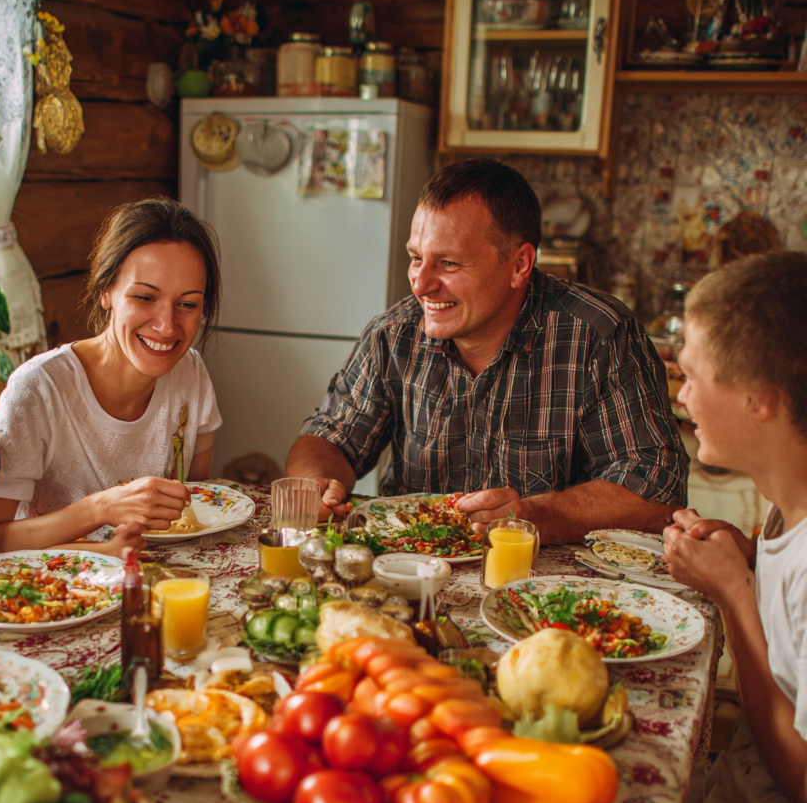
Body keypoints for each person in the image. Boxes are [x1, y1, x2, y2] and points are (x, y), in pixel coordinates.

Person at [287, 158, 688, 543]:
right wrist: (315, 485)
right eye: (415, 258)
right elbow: (328, 438)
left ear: (519, 265)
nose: (420, 284)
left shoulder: (600, 335)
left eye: (447, 263)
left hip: (546, 589)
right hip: (409, 572)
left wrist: (532, 517)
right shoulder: (393, 335)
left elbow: (657, 489)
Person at [656, 252, 807, 803]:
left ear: (761, 401)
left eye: (691, 374)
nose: (681, 396)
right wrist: (746, 561)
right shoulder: (788, 505)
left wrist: (735, 596)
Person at [0, 198, 223, 551]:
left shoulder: (192, 373)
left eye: (187, 304)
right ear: (105, 292)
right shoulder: (38, 390)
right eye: (144, 297)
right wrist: (102, 507)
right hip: (51, 593)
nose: (167, 326)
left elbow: (196, 505)